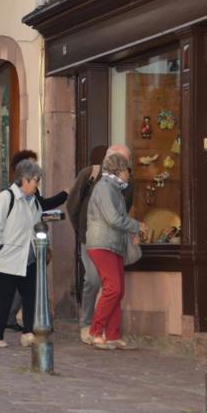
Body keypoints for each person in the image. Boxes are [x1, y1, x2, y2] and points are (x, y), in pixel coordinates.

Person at [67, 144, 134, 345]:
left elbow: (124, 210)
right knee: (95, 281)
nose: (128, 169)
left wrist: (128, 228)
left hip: (114, 241)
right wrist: (82, 231)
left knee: (115, 288)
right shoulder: (95, 178)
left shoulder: (124, 185)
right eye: (124, 164)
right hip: (96, 240)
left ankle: (111, 334)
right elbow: (73, 204)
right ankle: (90, 326)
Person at [85, 152, 145, 350]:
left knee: (118, 291)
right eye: (127, 169)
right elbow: (113, 218)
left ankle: (112, 335)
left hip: (113, 244)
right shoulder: (105, 188)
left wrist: (131, 231)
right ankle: (95, 332)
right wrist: (136, 226)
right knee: (113, 289)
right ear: (118, 170)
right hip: (102, 243)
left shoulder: (114, 188)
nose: (129, 174)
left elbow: (117, 219)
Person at [5, 150, 68, 331]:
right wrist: (64, 194)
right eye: (32, 163)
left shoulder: (32, 189)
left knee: (27, 283)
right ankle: (38, 323)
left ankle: (19, 319)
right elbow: (41, 207)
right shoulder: (18, 191)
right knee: (32, 284)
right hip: (25, 244)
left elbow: (38, 210)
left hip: (32, 242)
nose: (36, 167)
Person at [0, 159, 44, 348]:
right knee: (3, 299)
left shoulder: (34, 202)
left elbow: (36, 225)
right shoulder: (5, 198)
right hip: (6, 259)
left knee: (30, 298)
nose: (37, 184)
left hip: (28, 258)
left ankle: (28, 333)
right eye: (36, 180)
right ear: (25, 179)